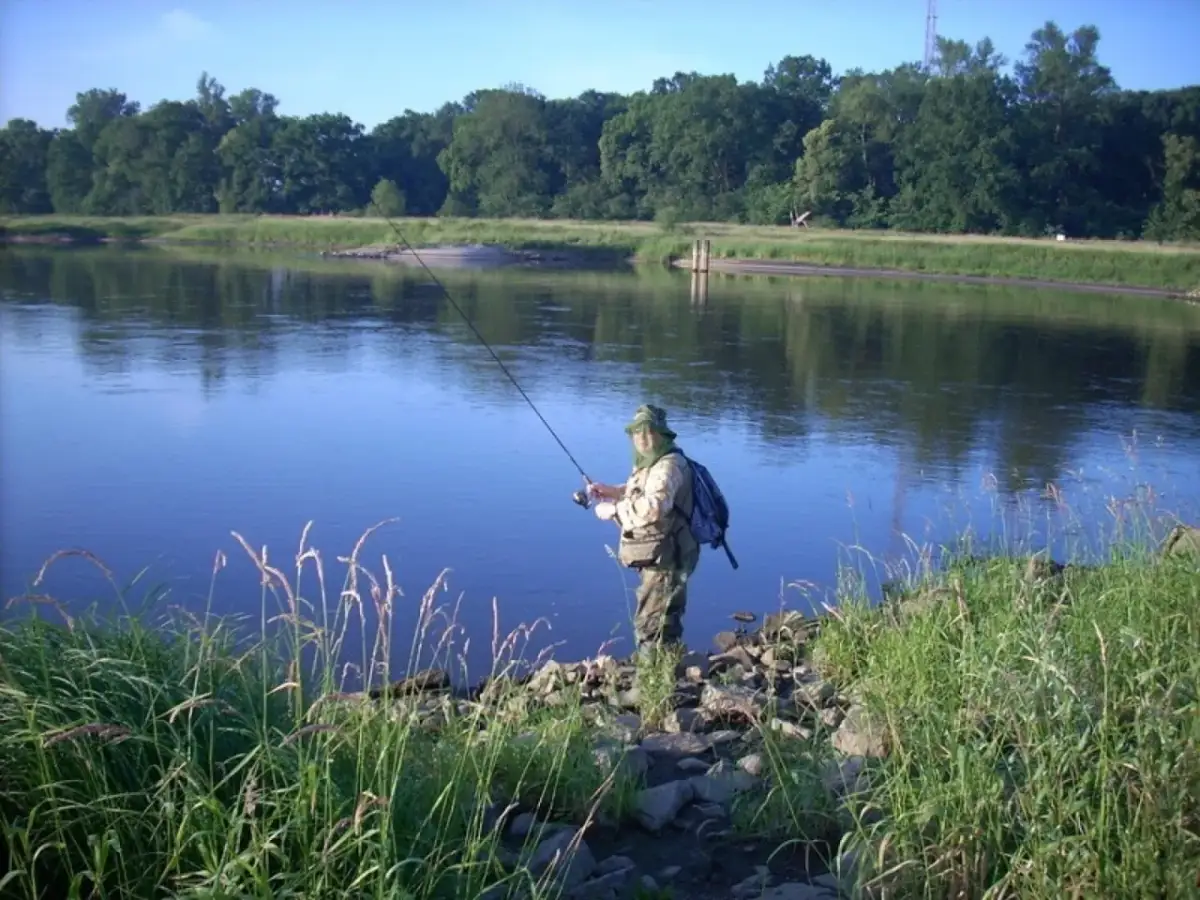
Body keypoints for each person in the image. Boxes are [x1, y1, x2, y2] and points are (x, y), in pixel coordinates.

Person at [587, 404, 699, 660]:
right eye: (637, 432)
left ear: (662, 434)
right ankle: (668, 672)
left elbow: (655, 506)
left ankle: (650, 684)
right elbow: (643, 490)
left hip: (668, 559)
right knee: (665, 618)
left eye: (649, 431)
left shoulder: (669, 465)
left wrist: (614, 511)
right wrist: (613, 491)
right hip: (662, 555)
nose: (642, 438)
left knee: (651, 621)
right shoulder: (655, 462)